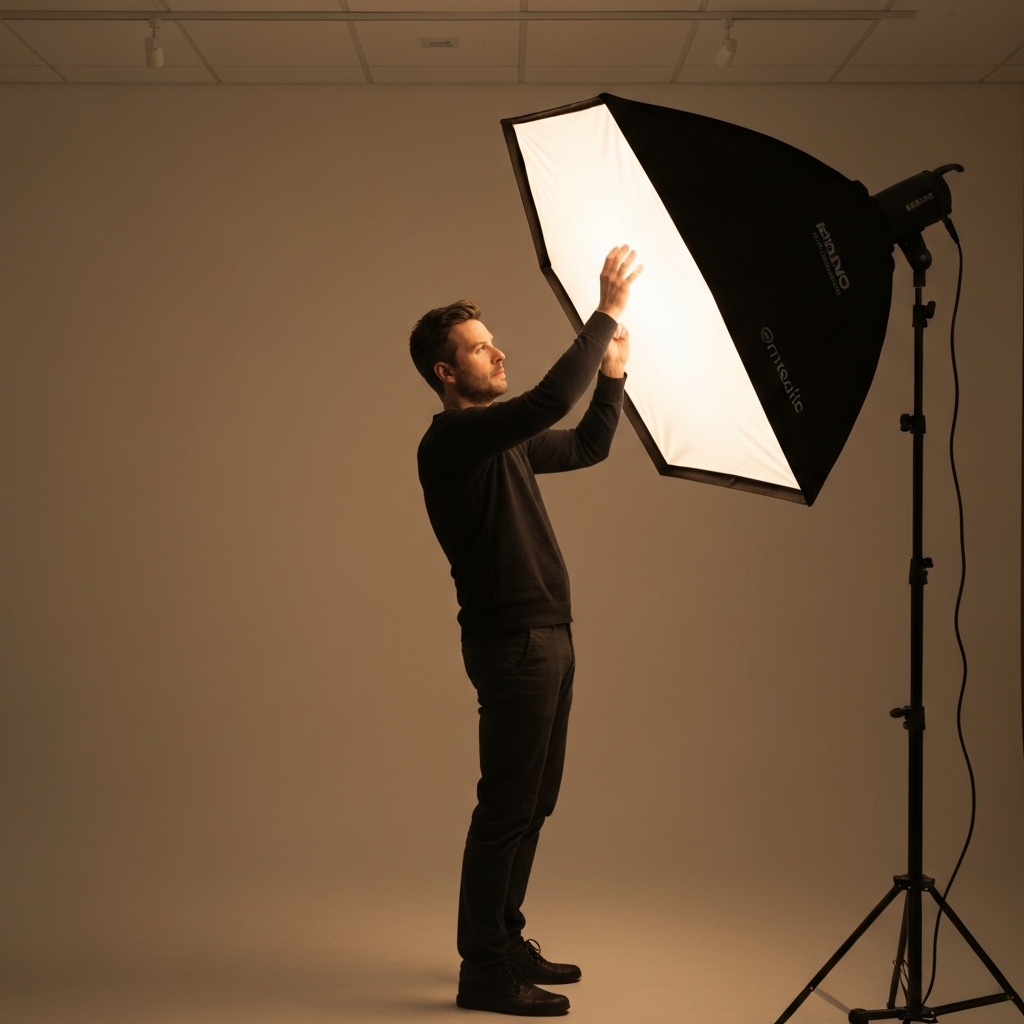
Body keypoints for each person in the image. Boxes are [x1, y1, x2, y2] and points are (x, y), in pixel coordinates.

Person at [410, 246, 642, 1016]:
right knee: (505, 807)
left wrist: (612, 373)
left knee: (534, 803)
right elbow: (548, 403)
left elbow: (585, 444)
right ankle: (482, 973)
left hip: (550, 637)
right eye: (479, 347)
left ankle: (504, 940)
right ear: (446, 373)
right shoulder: (452, 443)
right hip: (514, 646)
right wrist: (604, 311)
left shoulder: (498, 442)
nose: (497, 351)